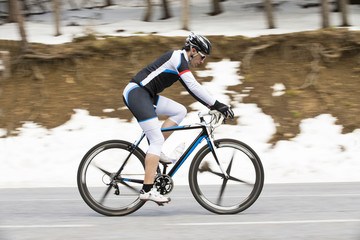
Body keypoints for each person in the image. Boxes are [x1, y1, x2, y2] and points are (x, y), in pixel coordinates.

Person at [122, 32, 234, 205]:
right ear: (194, 50)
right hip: (137, 93)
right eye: (203, 57)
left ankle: (156, 152)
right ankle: (147, 190)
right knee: (157, 140)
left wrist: (213, 106)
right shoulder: (177, 58)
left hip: (145, 94)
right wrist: (218, 105)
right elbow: (194, 87)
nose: (203, 61)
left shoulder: (181, 62)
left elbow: (193, 89)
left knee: (179, 111)